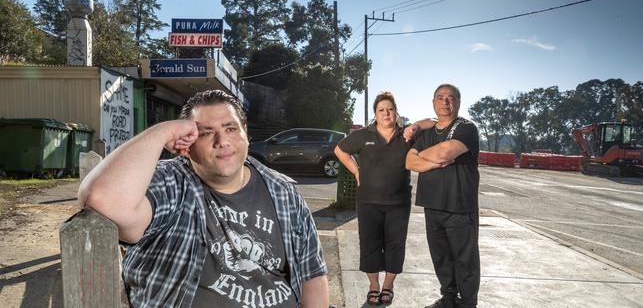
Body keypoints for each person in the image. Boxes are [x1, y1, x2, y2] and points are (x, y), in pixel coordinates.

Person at [78, 90, 329, 308]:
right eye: (207, 133)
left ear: (245, 134)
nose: (222, 142)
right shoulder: (172, 182)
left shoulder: (283, 191)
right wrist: (164, 130)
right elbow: (101, 198)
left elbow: (312, 275)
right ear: (187, 143)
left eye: (231, 129)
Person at [334, 91, 439, 306]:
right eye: (381, 110)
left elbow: (434, 122)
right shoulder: (363, 135)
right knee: (369, 243)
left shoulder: (406, 135)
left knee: (395, 244)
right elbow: (339, 150)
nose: (386, 113)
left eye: (390, 109)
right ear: (375, 114)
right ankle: (373, 285)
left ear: (396, 112)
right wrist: (356, 171)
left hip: (398, 204)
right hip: (368, 202)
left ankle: (388, 286)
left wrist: (416, 125)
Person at [405, 84, 480, 308]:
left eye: (451, 98)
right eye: (440, 98)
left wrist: (425, 157)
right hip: (432, 205)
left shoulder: (466, 128)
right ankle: (448, 299)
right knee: (442, 259)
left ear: (458, 102)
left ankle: (467, 304)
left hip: (459, 206)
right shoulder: (427, 132)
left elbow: (446, 152)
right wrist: (433, 162)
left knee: (465, 261)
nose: (445, 102)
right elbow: (409, 162)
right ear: (433, 102)